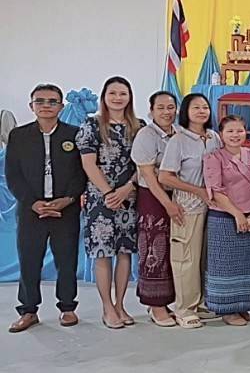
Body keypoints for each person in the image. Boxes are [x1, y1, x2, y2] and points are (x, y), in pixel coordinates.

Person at [6, 84, 86, 333]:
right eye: (40, 101)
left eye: (52, 101)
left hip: (65, 209)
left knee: (67, 260)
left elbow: (82, 172)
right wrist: (33, 203)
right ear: (31, 106)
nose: (46, 105)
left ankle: (67, 307)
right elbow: (13, 174)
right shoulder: (18, 136)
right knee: (29, 261)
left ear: (61, 106)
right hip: (31, 210)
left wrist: (68, 199)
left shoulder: (75, 134)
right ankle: (28, 311)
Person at [76, 76, 143, 329]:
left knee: (125, 252)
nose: (117, 98)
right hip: (100, 199)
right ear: (104, 96)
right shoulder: (91, 125)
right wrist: (108, 193)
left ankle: (120, 304)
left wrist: (127, 188)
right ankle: (107, 307)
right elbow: (88, 163)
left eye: (122, 93)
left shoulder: (139, 126)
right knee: (103, 253)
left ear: (130, 97)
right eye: (112, 93)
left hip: (129, 196)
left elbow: (145, 164)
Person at [158, 93, 221, 329]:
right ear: (185, 111)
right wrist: (198, 191)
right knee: (186, 258)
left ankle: (202, 303)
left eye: (205, 107)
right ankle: (184, 308)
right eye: (196, 107)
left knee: (205, 257)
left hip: (214, 205)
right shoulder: (179, 140)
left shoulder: (214, 137)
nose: (202, 111)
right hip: (188, 206)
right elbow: (165, 177)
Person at [203, 115, 250, 326]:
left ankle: (242, 306)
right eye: (230, 131)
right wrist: (237, 214)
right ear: (221, 134)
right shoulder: (213, 157)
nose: (235, 135)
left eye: (239, 130)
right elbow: (215, 191)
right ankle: (227, 310)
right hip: (224, 217)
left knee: (246, 264)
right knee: (224, 265)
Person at [129, 91, 180, 327]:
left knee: (172, 249)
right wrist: (167, 204)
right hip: (153, 197)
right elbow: (148, 175)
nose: (166, 112)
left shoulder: (179, 133)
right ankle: (155, 305)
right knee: (153, 248)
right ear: (151, 111)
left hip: (177, 194)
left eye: (170, 107)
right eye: (161, 107)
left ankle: (168, 301)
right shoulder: (146, 135)